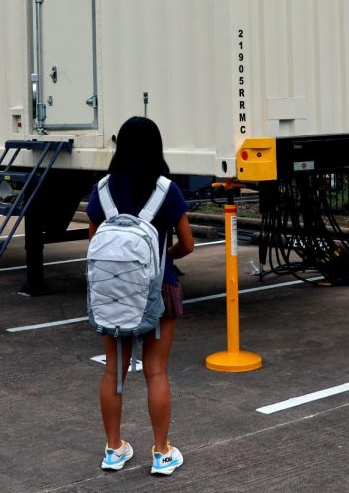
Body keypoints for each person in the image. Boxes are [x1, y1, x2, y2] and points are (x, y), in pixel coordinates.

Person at [86, 116, 194, 476]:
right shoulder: (167, 190)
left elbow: (94, 244)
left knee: (115, 372)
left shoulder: (102, 190)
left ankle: (114, 450)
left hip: (114, 290)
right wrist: (165, 258)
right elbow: (188, 245)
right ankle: (162, 453)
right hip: (159, 288)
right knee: (156, 371)